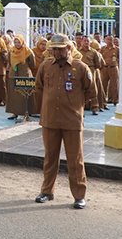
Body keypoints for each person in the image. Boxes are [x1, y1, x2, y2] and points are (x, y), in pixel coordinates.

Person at [34, 34, 95, 210]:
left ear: (69, 48)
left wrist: (77, 106)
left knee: (75, 160)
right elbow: (38, 88)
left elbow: (91, 91)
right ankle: (47, 191)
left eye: (60, 49)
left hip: (72, 121)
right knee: (50, 157)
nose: (56, 52)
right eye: (54, 48)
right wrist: (44, 110)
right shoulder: (45, 67)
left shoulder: (80, 68)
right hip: (50, 119)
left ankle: (79, 196)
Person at [6, 34, 36, 121]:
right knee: (14, 95)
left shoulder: (28, 51)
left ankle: (24, 113)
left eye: (19, 42)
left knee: (23, 95)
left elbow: (33, 64)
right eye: (15, 42)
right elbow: (9, 61)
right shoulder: (11, 51)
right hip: (13, 75)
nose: (17, 44)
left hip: (24, 76)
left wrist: (24, 67)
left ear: (22, 42)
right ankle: (14, 112)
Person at [100, 34, 119, 105]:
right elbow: (99, 58)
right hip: (105, 68)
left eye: (111, 39)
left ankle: (115, 100)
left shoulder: (117, 49)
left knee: (115, 85)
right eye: (108, 39)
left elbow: (120, 59)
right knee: (103, 84)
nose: (109, 41)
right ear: (105, 40)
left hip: (113, 68)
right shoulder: (102, 49)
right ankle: (103, 100)